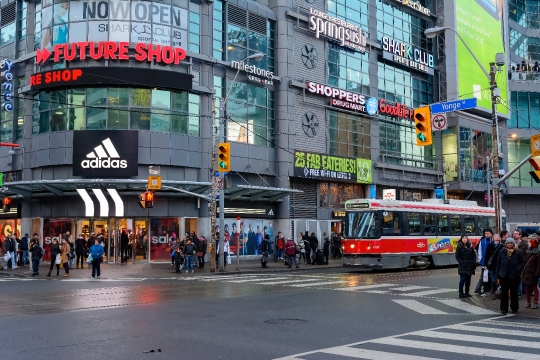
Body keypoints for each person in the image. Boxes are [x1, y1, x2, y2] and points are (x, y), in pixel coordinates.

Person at [496, 238, 526, 315]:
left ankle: (514, 308)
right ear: (506, 244)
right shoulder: (501, 252)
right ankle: (503, 308)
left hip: (514, 275)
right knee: (504, 292)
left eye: (511, 243)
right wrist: (497, 275)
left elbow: (522, 262)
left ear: (513, 244)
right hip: (504, 275)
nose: (510, 244)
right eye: (508, 243)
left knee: (514, 292)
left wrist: (517, 269)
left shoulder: (518, 252)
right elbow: (498, 263)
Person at [522, 237, 540, 309]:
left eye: (530, 242)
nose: (529, 244)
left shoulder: (538, 254)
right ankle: (528, 301)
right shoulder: (528, 251)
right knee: (527, 287)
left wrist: (537, 274)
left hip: (533, 273)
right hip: (527, 272)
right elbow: (525, 261)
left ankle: (535, 302)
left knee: (534, 287)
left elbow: (539, 265)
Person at [484, 233, 503, 300]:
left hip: (500, 266)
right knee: (493, 280)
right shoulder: (490, 245)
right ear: (493, 238)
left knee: (499, 280)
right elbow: (487, 255)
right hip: (491, 266)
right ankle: (493, 292)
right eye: (495, 236)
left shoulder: (502, 246)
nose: (497, 237)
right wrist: (485, 265)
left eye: (498, 236)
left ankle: (498, 292)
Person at [474, 228, 493, 295]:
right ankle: (479, 288)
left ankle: (489, 289)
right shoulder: (482, 241)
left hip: (492, 262)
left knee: (491, 276)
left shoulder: (493, 241)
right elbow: (479, 251)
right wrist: (480, 259)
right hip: (484, 262)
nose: (486, 235)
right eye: (485, 233)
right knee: (483, 276)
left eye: (488, 233)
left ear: (491, 234)